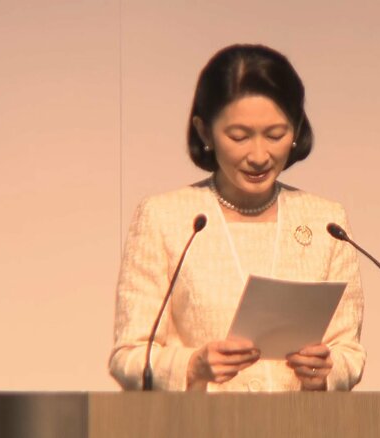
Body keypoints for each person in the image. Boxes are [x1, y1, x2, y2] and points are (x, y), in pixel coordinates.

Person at [109, 44, 365, 392]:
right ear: (205, 132)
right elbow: (128, 356)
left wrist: (328, 369)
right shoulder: (165, 218)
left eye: (275, 135)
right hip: (200, 420)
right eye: (239, 137)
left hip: (298, 420)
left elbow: (348, 351)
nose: (259, 155)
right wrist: (192, 366)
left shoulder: (326, 223)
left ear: (296, 130)